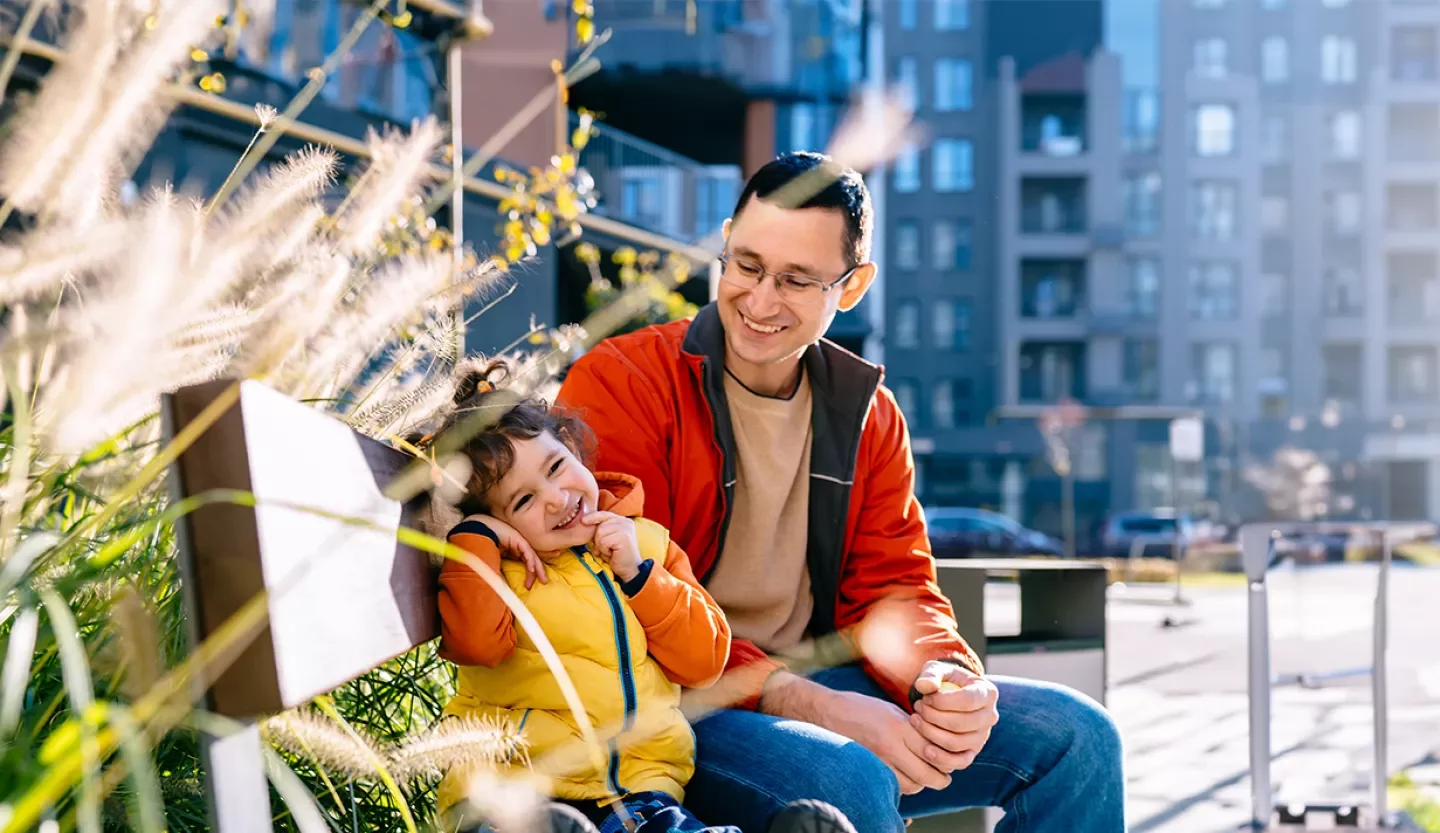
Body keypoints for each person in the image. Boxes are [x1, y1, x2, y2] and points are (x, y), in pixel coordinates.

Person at [556, 151, 1126, 833]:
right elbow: (619, 603)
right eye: (745, 264)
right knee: (847, 775)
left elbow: (896, 585)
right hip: (674, 701)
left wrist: (940, 677)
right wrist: (815, 706)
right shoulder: (624, 383)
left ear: (852, 288)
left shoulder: (869, 414)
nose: (759, 301)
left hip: (821, 688)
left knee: (1079, 739)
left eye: (796, 279)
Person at [427, 358, 859, 833]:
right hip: (513, 790)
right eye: (522, 501)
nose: (555, 498)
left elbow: (704, 661)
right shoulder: (494, 573)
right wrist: (476, 538)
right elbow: (476, 645)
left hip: (634, 790)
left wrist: (638, 575)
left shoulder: (647, 545)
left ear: (574, 449)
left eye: (556, 467)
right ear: (497, 520)